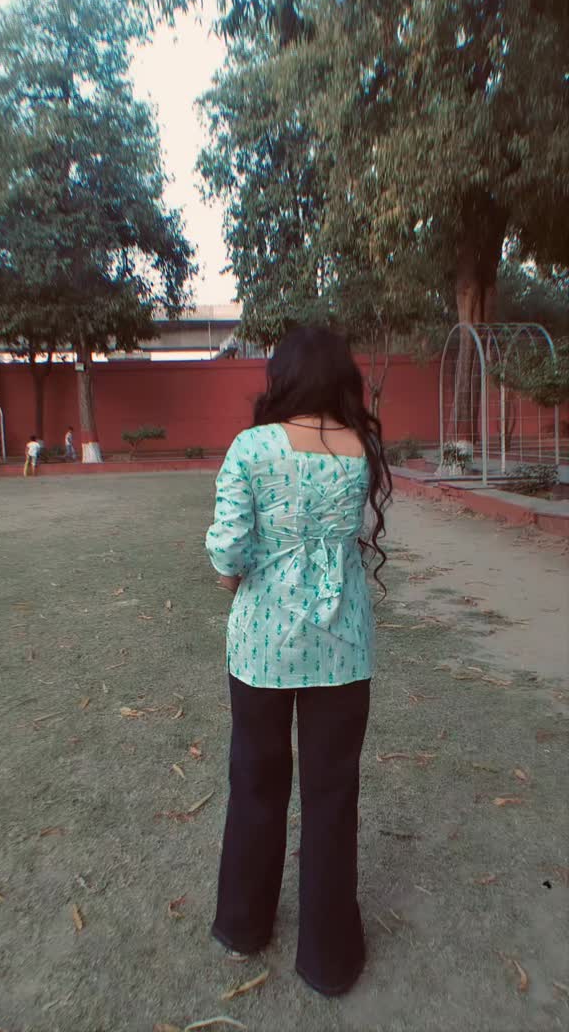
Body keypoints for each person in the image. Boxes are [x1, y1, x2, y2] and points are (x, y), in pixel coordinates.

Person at [205, 325, 392, 996]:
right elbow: (357, 536)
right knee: (332, 795)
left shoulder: (252, 447)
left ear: (282, 377)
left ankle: (243, 925)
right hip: (343, 646)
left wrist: (233, 576)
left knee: (255, 781)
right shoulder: (361, 448)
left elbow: (229, 552)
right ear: (341, 377)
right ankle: (329, 958)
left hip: (262, 646)